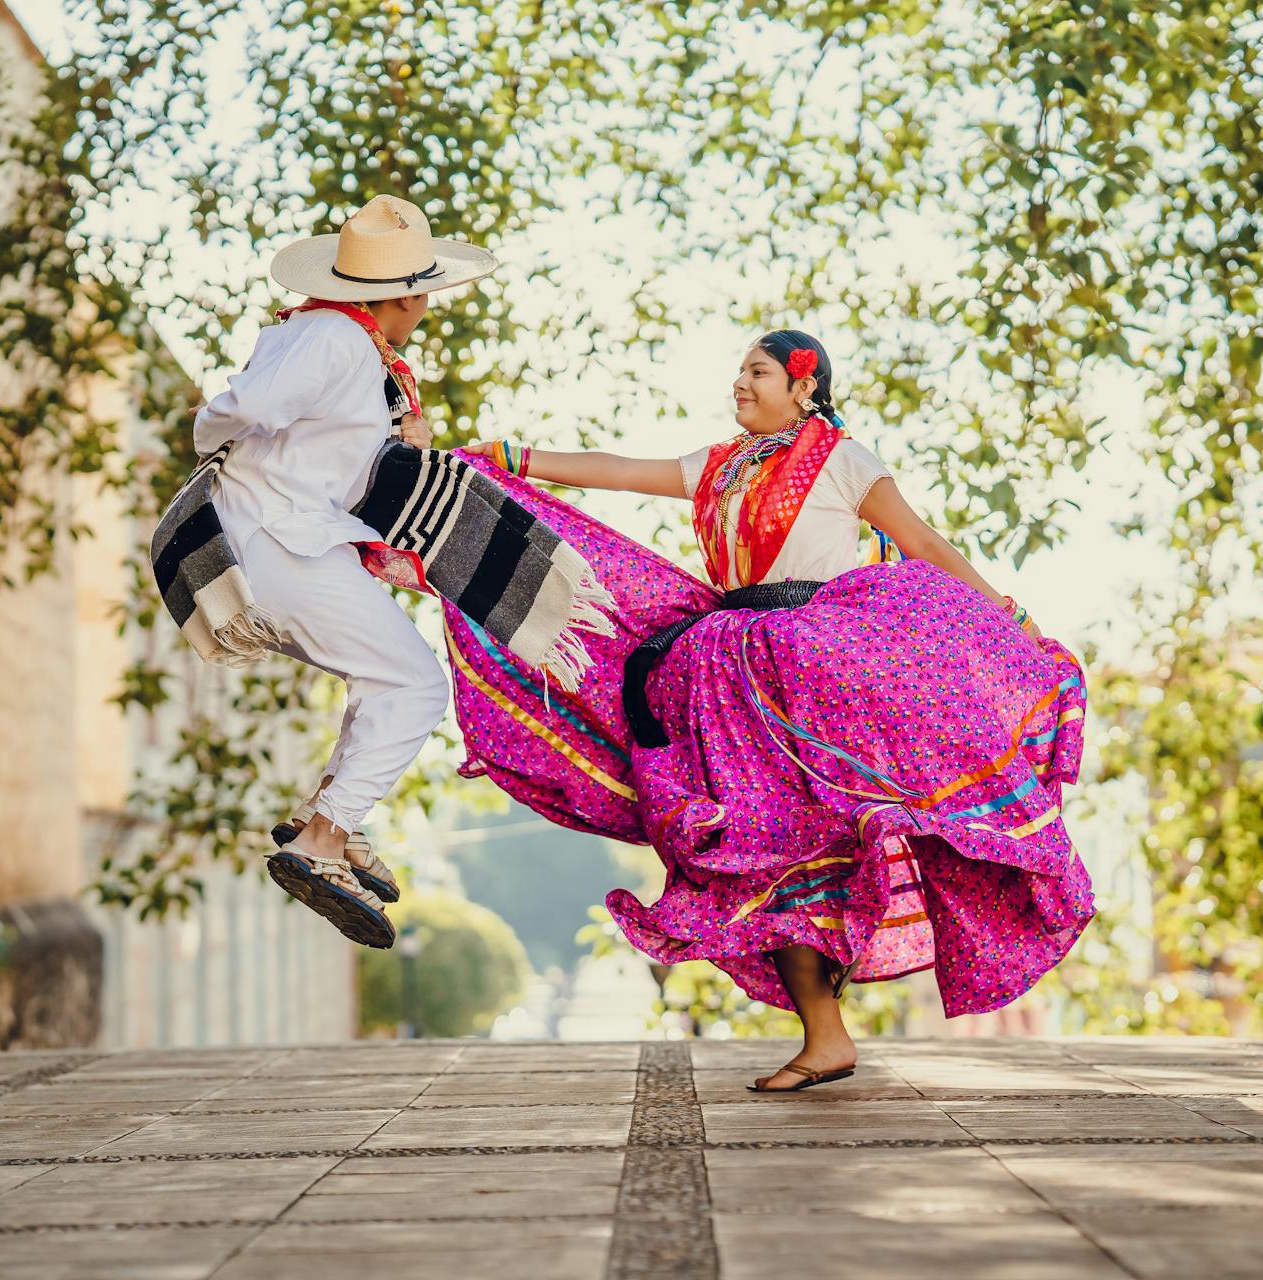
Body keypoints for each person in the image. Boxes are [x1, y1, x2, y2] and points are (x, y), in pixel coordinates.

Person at [452, 331, 1093, 1090]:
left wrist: (1007, 615)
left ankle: (852, 1002)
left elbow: (920, 541)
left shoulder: (844, 460)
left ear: (805, 384)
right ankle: (826, 1037)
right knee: (765, 848)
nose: (741, 384)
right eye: (740, 372)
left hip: (817, 664)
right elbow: (620, 472)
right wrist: (509, 459)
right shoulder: (718, 465)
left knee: (826, 837)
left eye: (758, 372)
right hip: (728, 674)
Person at [189, 194, 497, 948]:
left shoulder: (343, 344)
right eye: (424, 292)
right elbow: (235, 411)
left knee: (383, 674)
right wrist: (229, 436)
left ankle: (328, 813)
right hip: (283, 545)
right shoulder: (334, 339)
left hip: (292, 543)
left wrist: (397, 441)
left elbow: (329, 452)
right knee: (418, 684)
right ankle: (323, 840)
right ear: (405, 295)